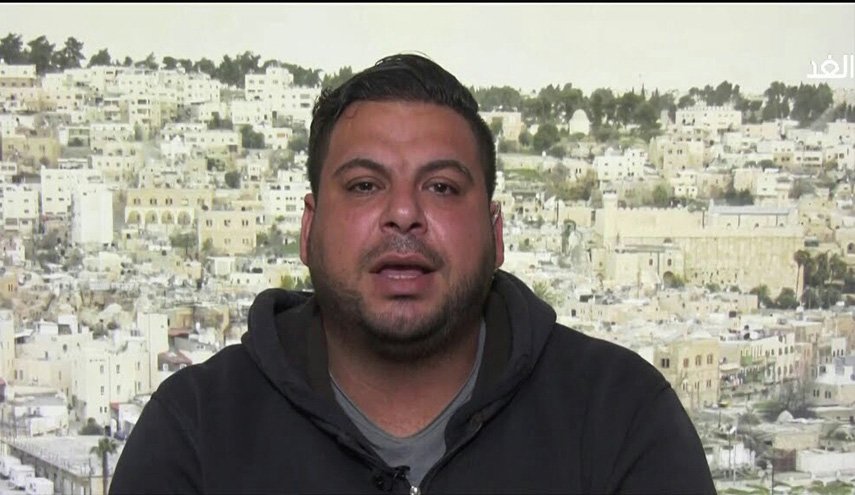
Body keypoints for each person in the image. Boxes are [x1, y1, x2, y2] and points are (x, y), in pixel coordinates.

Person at [111, 53, 715, 494]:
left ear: (497, 234)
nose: (404, 213)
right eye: (364, 185)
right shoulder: (196, 432)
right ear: (308, 230)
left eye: (442, 187)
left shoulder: (620, 419)